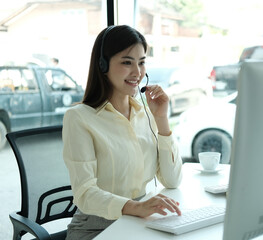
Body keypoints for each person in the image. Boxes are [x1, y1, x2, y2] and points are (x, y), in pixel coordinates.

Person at [62, 25, 183, 240]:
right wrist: (137, 207)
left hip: (139, 222)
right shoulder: (79, 118)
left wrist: (162, 120)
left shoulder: (145, 113)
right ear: (103, 65)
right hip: (96, 228)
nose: (137, 72)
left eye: (142, 62)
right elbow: (84, 193)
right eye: (127, 62)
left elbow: (172, 180)